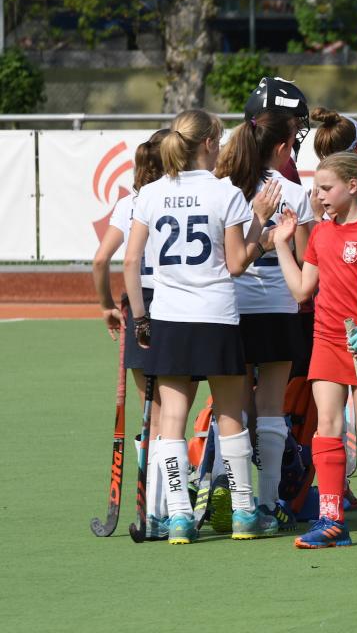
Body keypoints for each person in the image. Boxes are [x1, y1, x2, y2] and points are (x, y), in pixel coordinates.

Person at [123, 110, 281, 544]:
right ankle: (245, 513)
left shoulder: (151, 192)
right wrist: (261, 224)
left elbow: (131, 261)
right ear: (209, 142)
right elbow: (236, 262)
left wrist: (141, 317)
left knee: (172, 418)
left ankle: (178, 518)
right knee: (230, 414)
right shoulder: (225, 192)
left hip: (169, 316)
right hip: (216, 315)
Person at [273, 153, 357, 547]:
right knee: (326, 426)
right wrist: (281, 245)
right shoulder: (321, 234)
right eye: (317, 189)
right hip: (328, 340)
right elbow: (302, 290)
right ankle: (332, 520)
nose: (319, 196)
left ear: (353, 186)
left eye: (326, 188)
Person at [215, 108, 316, 531]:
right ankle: (269, 502)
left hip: (231, 307)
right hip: (278, 306)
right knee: (272, 406)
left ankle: (235, 497)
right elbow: (308, 257)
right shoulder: (293, 192)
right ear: (281, 147)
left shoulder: (224, 188)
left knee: (232, 406)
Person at [92, 129, 171, 537]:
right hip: (182, 301)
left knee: (152, 412)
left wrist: (107, 304)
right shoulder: (178, 196)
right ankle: (173, 503)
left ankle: (156, 509)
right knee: (177, 410)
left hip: (140, 302)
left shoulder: (130, 203)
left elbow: (100, 259)